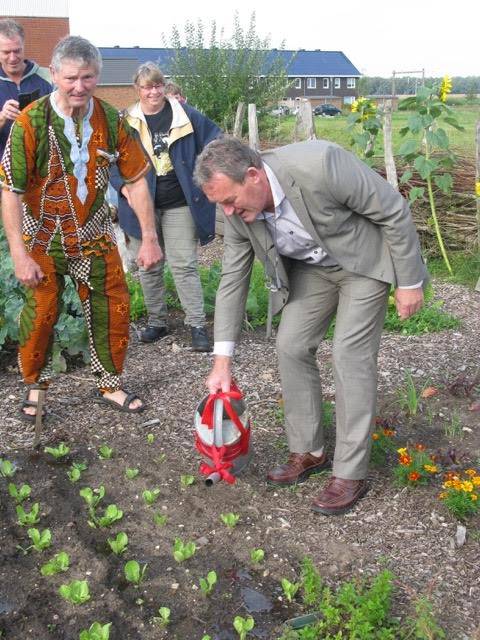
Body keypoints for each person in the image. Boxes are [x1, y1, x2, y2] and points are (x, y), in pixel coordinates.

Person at [194, 136, 427, 516]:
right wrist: (222, 362)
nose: (228, 213)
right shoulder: (237, 212)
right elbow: (232, 279)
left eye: (230, 201)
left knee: (349, 355)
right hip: (314, 271)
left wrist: (409, 282)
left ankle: (351, 472)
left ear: (253, 176)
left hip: (363, 264)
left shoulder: (322, 163)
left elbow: (393, 210)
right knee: (290, 344)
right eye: (220, 204)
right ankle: (309, 451)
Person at [0, 36, 162, 421]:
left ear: (98, 76)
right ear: (53, 74)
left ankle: (110, 383)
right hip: (42, 237)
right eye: (70, 77)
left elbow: (136, 179)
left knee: (114, 306)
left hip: (94, 234)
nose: (79, 86)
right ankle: (35, 388)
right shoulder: (30, 123)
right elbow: (10, 190)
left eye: (87, 77)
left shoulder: (111, 119)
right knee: (40, 314)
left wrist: (150, 237)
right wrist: (19, 255)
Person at [110, 62, 221, 350]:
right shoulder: (125, 121)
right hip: (139, 205)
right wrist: (122, 187)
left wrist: (202, 175)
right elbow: (107, 158)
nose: (153, 92)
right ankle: (157, 321)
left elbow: (215, 140)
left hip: (179, 202)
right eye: (147, 87)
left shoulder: (185, 114)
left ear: (164, 86)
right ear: (138, 89)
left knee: (184, 264)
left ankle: (196, 325)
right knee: (148, 265)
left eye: (157, 85)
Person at [0, 19, 52, 158]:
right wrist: (2, 117)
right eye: (6, 52)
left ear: (24, 46)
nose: (12, 58)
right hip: (4, 172)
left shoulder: (49, 77)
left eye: (17, 51)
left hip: (42, 168)